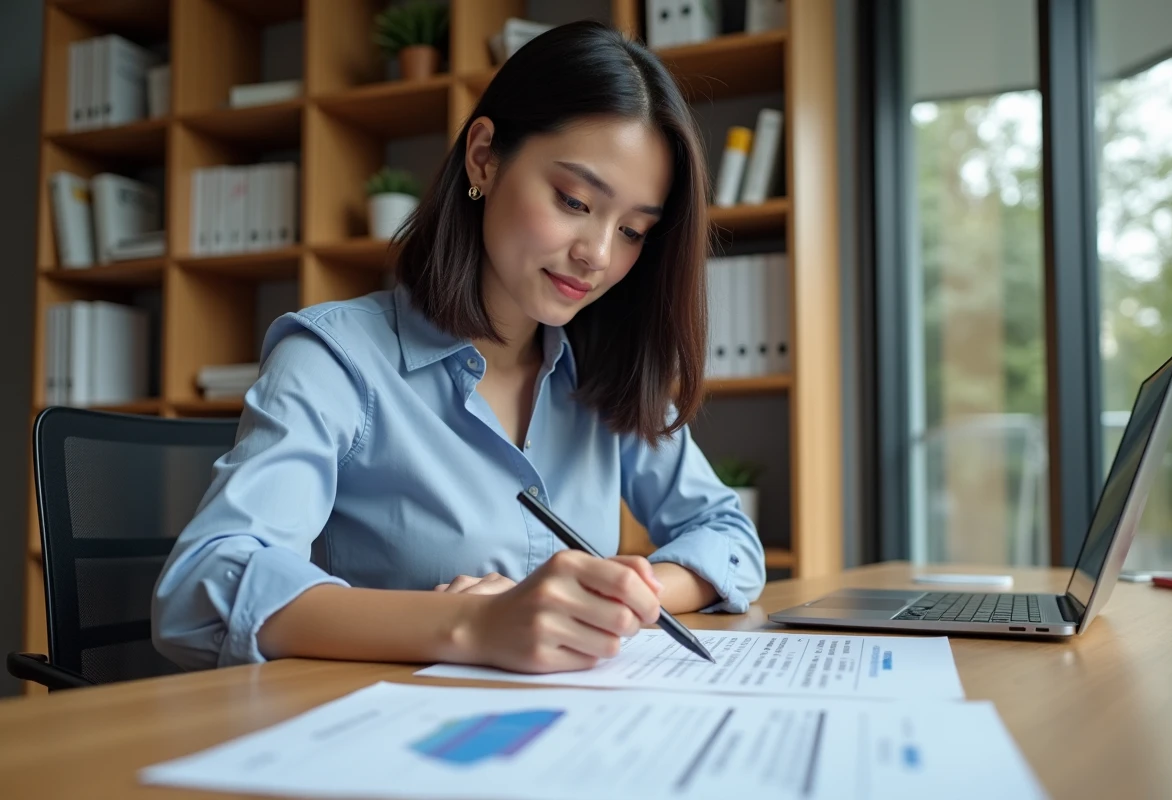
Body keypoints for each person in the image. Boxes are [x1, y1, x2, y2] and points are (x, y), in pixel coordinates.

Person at [151, 20, 766, 675]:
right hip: (384, 725)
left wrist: (614, 598)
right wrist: (471, 625)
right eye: (574, 201)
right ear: (484, 158)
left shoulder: (606, 369)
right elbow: (201, 590)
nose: (598, 255)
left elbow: (728, 536)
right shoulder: (336, 359)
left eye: (634, 231)